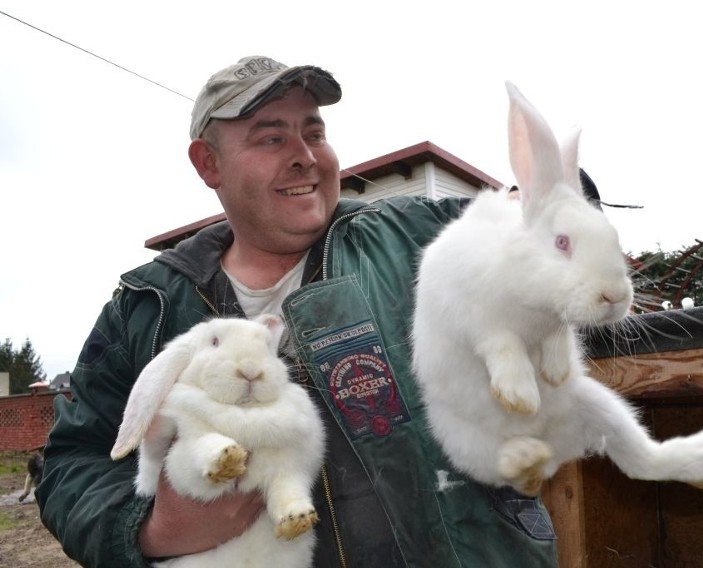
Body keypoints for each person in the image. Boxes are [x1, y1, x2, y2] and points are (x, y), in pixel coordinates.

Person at [36, 55, 563, 567]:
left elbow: (555, 222)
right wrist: (153, 531)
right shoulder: (145, 305)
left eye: (314, 133)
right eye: (271, 138)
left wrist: (551, 204)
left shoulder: (414, 239)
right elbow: (71, 461)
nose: (305, 156)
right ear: (208, 163)